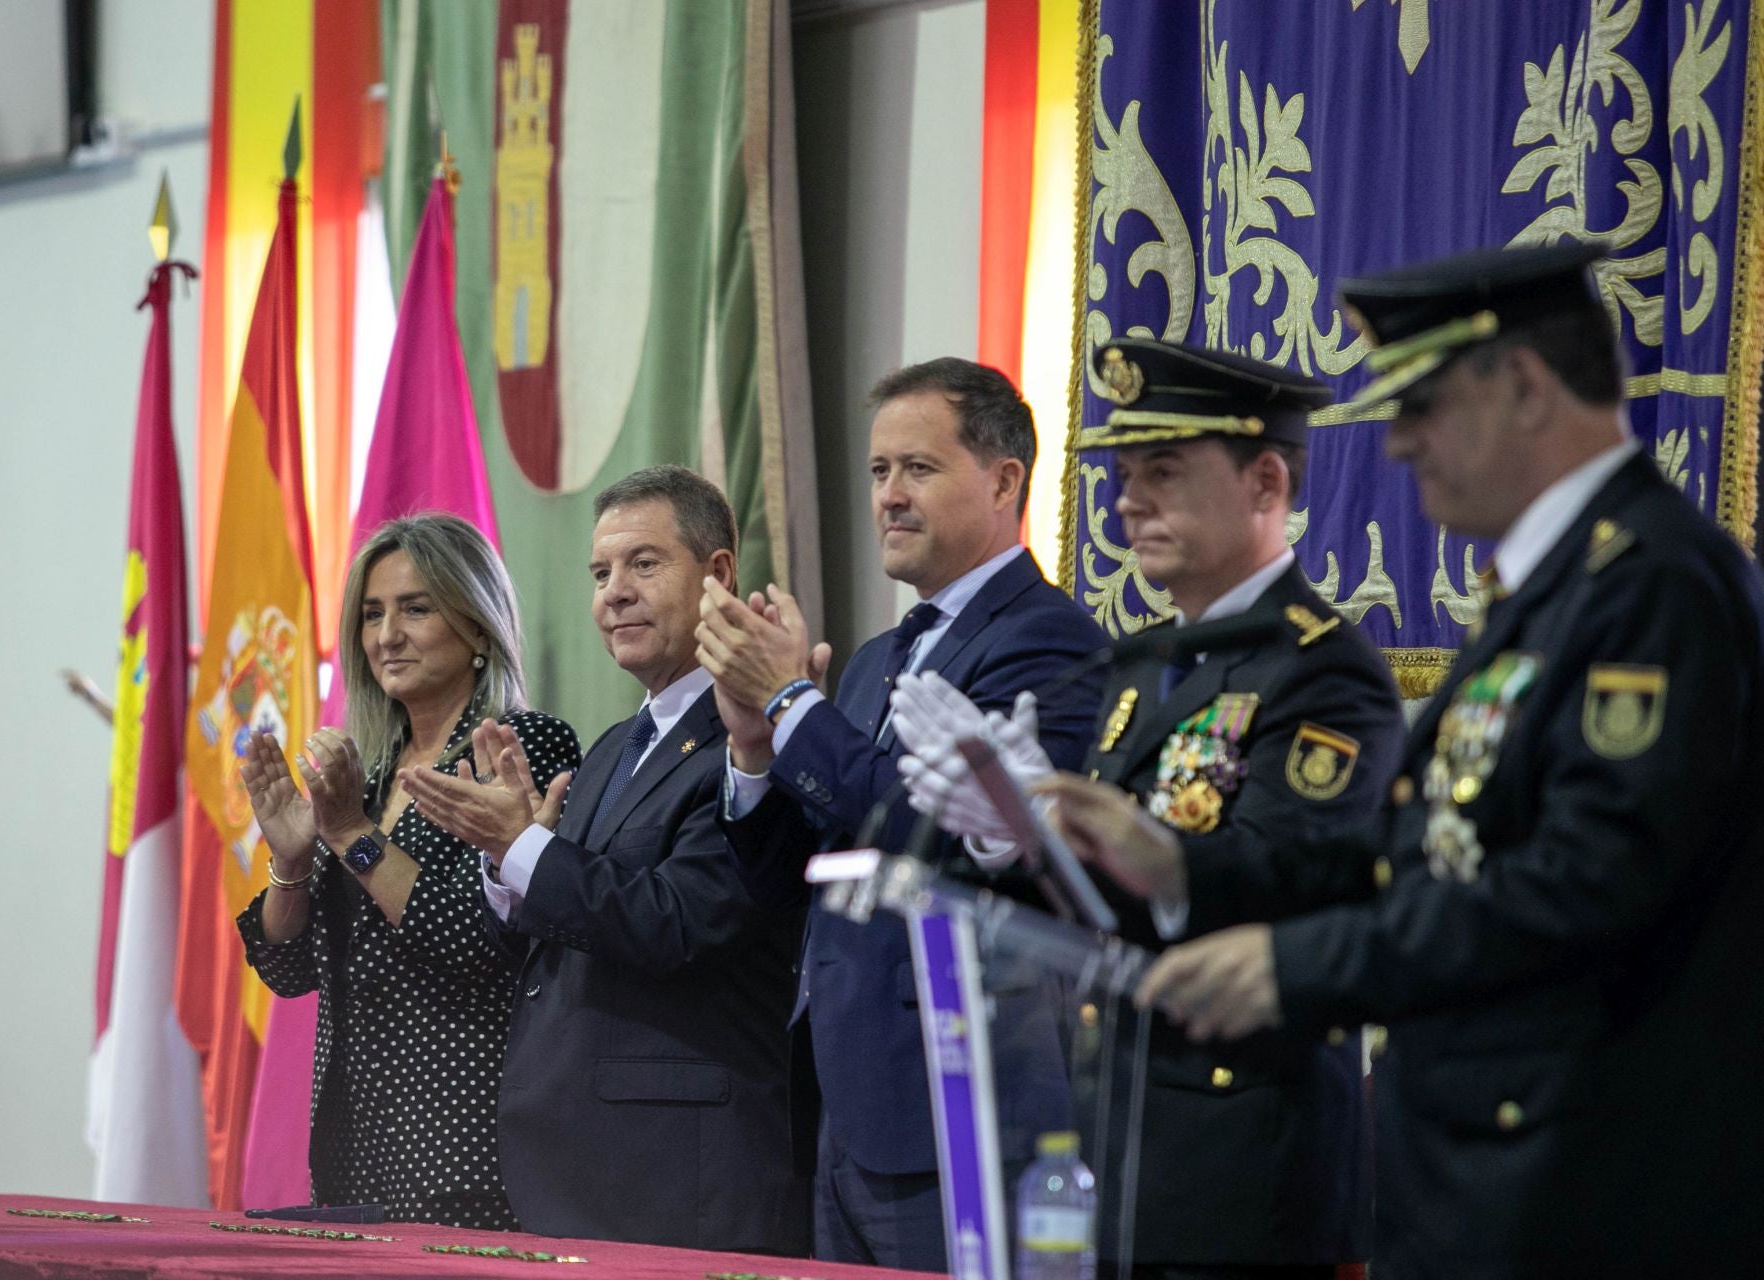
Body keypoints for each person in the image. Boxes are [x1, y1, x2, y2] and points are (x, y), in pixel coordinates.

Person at [1061, 243, 1764, 1276]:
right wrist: (1183, 870)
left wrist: (1296, 964)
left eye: (1424, 405)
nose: (1397, 445)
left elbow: (1585, 883)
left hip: (1589, 1189)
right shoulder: (1548, 587)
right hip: (1486, 1179)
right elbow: (1416, 846)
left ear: (1524, 386)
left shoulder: (1649, 581)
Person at [900, 339, 1405, 1278]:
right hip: (1114, 1136)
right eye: (1126, 474)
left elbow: (1308, 883)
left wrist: (1167, 862)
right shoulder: (1139, 667)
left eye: (1163, 472)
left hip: (1246, 1158)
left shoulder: (1325, 671)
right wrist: (1015, 843)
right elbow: (1100, 912)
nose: (1128, 501)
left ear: (1264, 481)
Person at [696, 358, 1107, 1270]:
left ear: (1004, 480)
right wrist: (755, 750)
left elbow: (940, 834)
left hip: (960, 1102)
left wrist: (793, 707)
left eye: (916, 469)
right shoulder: (883, 653)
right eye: (879, 472)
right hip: (841, 1106)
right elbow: (798, 872)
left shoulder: (1051, 640)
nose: (888, 495)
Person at [403, 465, 808, 1254]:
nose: (613, 593)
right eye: (599, 573)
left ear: (717, 573)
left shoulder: (753, 736)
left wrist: (517, 845)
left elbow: (679, 921)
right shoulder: (617, 747)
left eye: (643, 565)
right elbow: (555, 939)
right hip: (577, 1166)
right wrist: (509, 862)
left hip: (678, 1175)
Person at [234, 513, 580, 1230]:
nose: (386, 634)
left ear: (478, 627)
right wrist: (294, 858)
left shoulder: (521, 750)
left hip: (466, 1150)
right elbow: (289, 967)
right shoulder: (364, 777)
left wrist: (352, 837)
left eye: (415, 608)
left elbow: (474, 941)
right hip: (355, 1146)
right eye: (372, 614)